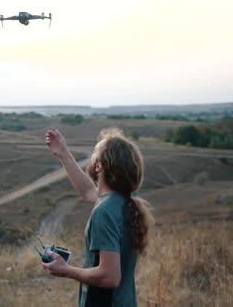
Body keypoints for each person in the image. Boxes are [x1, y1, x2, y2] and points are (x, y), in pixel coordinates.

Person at [43, 128, 154, 307]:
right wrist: (63, 153)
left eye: (95, 153)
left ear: (100, 165)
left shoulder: (104, 211)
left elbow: (109, 277)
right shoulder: (125, 200)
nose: (92, 157)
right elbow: (88, 191)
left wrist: (66, 270)